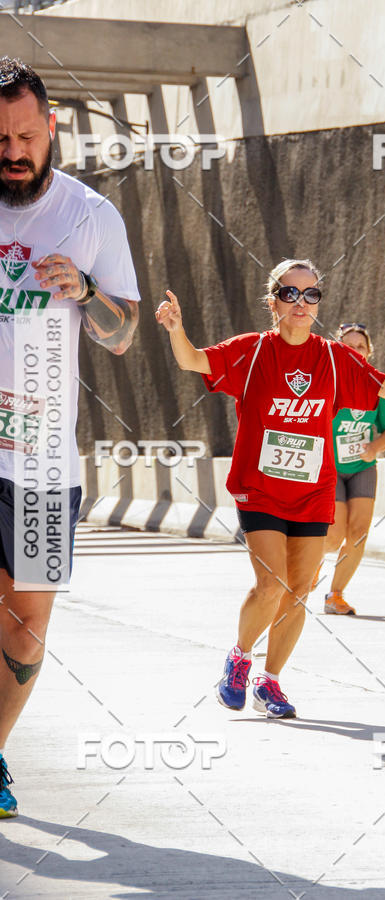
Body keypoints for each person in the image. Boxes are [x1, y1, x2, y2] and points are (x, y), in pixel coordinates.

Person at [156, 258, 385, 719]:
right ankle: (239, 658)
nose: (301, 303)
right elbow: (193, 360)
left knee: (299, 591)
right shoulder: (251, 351)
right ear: (273, 301)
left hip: (312, 491)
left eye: (311, 294)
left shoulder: (334, 357)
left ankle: (270, 682)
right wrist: (175, 329)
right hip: (260, 488)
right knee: (271, 584)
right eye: (290, 293)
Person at [0, 57, 140, 817]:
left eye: (26, 135)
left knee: (26, 627)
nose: (13, 151)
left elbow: (122, 336)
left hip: (47, 463)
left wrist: (85, 292)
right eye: (0, 139)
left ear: (51, 128)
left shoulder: (91, 217)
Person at [319, 322, 385, 615]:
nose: (355, 351)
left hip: (363, 467)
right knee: (333, 536)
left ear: (368, 352)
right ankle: (308, 566)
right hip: (330, 468)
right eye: (348, 346)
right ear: (337, 349)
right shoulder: (326, 382)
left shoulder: (378, 387)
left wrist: (374, 447)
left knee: (359, 534)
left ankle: (335, 595)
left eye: (360, 347)